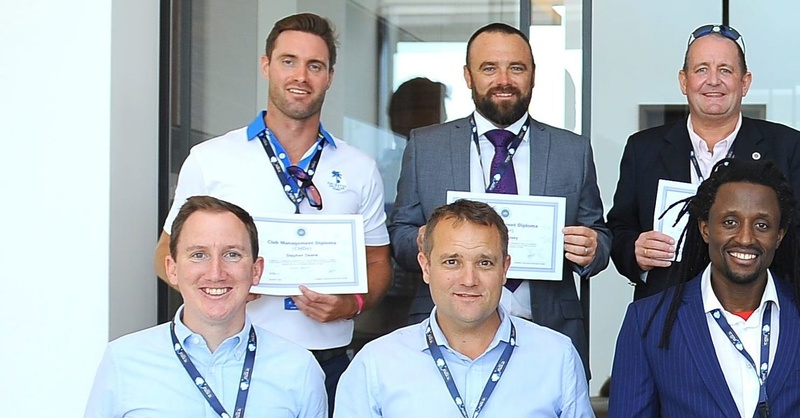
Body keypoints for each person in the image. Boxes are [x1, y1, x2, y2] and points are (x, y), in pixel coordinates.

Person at [152, 13, 391, 401]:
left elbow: (379, 262)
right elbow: (165, 253)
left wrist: (352, 303)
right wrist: (220, 284)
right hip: (227, 356)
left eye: (315, 66)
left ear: (329, 76)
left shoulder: (359, 167)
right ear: (266, 66)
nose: (301, 76)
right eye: (288, 61)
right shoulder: (211, 159)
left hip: (326, 361)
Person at [388, 22, 609, 375]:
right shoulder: (427, 146)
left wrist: (592, 248)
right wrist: (419, 239)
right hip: (445, 334)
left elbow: (599, 234)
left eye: (516, 68)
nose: (503, 80)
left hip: (547, 331)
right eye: (489, 68)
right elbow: (399, 236)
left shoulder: (572, 150)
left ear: (533, 75)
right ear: (468, 75)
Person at [612, 158, 800, 417]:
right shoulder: (648, 321)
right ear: (705, 229)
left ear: (779, 236)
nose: (745, 238)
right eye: (730, 222)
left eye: (762, 225)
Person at [609, 24, 800, 300]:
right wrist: (635, 251)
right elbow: (619, 228)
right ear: (683, 81)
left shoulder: (787, 146)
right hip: (664, 308)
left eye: (725, 70)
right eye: (702, 69)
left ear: (745, 82)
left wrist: (778, 294)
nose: (713, 80)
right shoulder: (643, 148)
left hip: (760, 310)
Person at [337, 200, 593, 417]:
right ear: (425, 267)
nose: (469, 280)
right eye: (452, 262)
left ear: (504, 269)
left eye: (484, 262)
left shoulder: (557, 357)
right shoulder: (375, 364)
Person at [91, 196, 327, 417]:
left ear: (256, 271)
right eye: (198, 255)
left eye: (232, 254)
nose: (216, 273)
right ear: (172, 269)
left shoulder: (300, 369)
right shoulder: (123, 361)